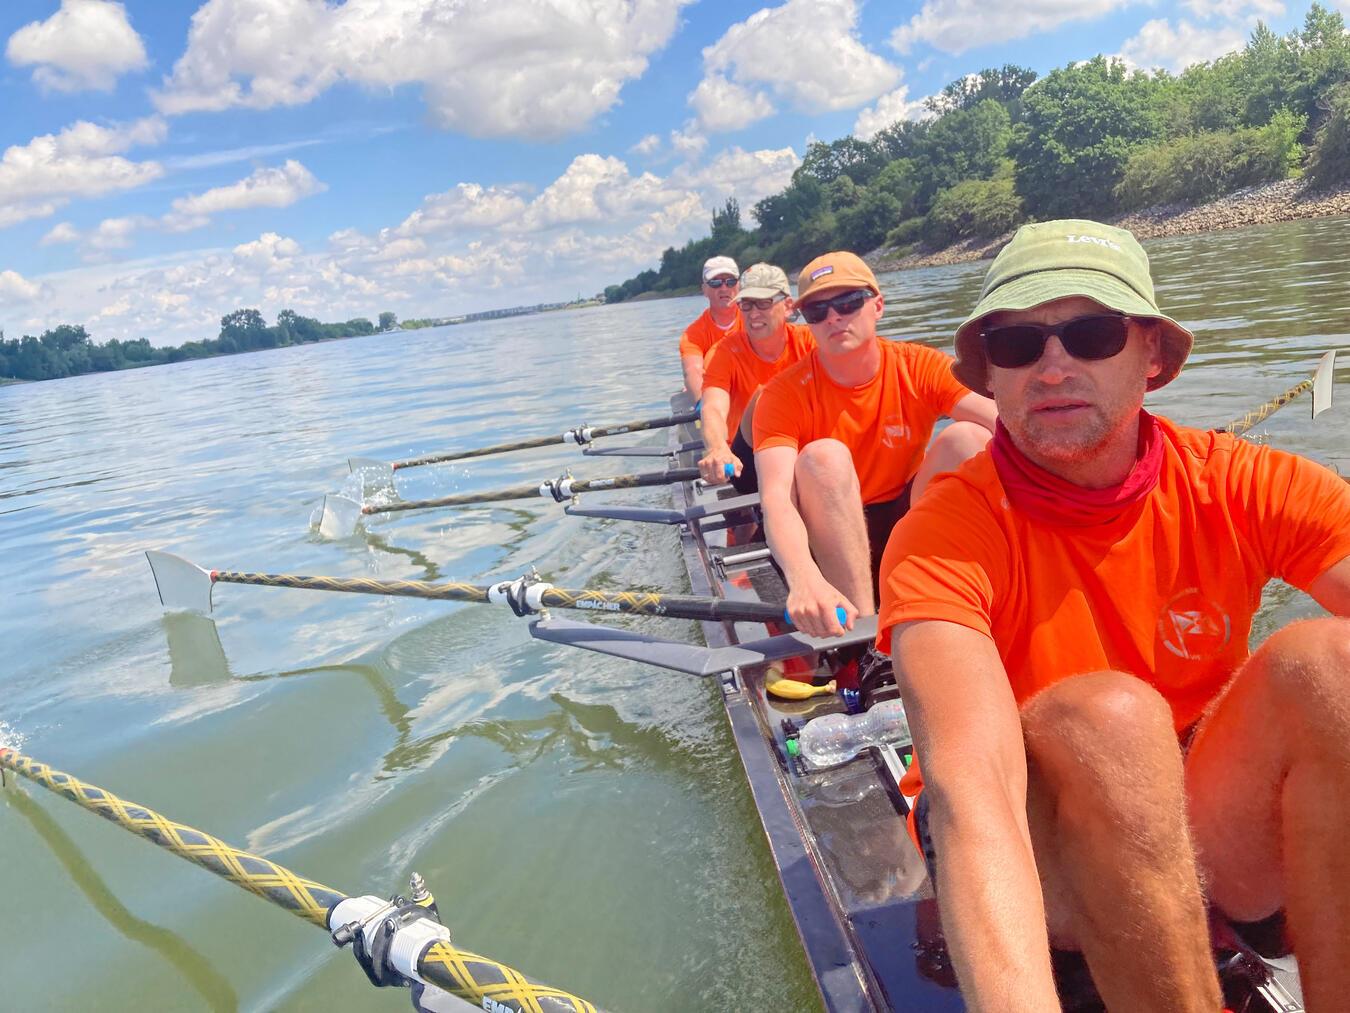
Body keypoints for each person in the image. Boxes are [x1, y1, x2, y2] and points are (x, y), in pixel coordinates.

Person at [877, 219, 1350, 1011]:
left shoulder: (1240, 484)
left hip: (1200, 813)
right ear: (991, 374)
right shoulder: (945, 535)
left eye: (1091, 334)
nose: (1053, 367)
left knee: (1330, 663)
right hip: (1039, 848)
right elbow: (975, 790)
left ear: (1152, 356)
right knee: (1110, 718)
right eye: (1020, 344)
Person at [752, 251, 996, 675]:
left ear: (877, 305)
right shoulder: (783, 394)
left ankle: (963, 594)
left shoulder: (920, 366)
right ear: (805, 319)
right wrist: (803, 577)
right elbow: (775, 497)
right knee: (823, 457)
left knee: (969, 439)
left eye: (848, 302)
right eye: (817, 309)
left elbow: (1011, 425)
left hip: (906, 520)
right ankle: (864, 647)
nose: (834, 318)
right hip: (827, 527)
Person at [697, 263, 815, 493]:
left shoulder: (812, 342)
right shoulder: (723, 352)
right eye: (746, 304)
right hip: (747, 462)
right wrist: (718, 448)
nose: (753, 314)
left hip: (807, 448)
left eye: (763, 303)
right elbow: (713, 407)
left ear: (789, 306)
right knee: (767, 395)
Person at [679, 255, 741, 399]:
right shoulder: (692, 335)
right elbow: (693, 370)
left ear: (739, 286)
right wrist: (705, 405)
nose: (724, 288)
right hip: (716, 398)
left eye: (730, 282)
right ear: (704, 289)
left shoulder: (755, 319)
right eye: (715, 283)